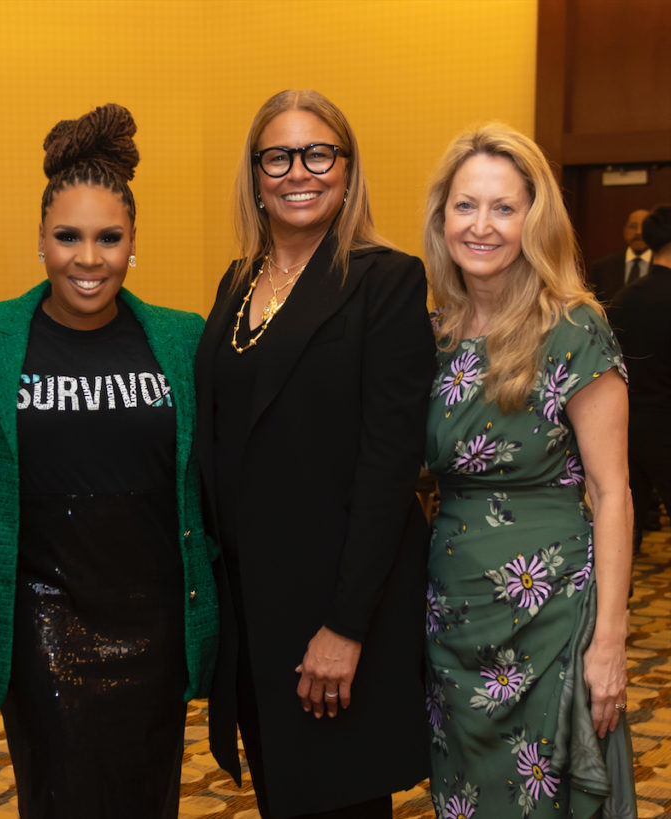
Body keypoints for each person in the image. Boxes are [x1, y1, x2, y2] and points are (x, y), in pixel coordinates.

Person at [0, 103, 218, 819]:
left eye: (108, 238)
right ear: (40, 240)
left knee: (149, 795)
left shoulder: (182, 340)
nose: (88, 259)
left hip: (156, 627)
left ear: (134, 243)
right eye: (67, 237)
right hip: (40, 624)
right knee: (58, 796)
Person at [196, 89, 435, 818]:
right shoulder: (236, 284)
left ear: (346, 166)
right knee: (282, 798)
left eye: (318, 152)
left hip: (333, 611)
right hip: (251, 611)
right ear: (256, 174)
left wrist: (346, 626)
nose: (299, 171)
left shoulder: (385, 281)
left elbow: (388, 469)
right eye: (279, 156)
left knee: (339, 802)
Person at [423, 124, 636, 818]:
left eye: (503, 207)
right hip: (454, 620)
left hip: (550, 620)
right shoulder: (435, 332)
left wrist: (609, 641)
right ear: (442, 217)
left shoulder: (573, 328)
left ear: (533, 220)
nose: (481, 225)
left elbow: (612, 491)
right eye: (465, 205)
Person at [608, 204, 671, 553]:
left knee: (623, 528)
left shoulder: (624, 298)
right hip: (666, 425)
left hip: (625, 428)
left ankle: (618, 603)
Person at [588, 208, 651, 304]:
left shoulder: (666, 267)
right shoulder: (602, 267)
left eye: (645, 226)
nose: (639, 232)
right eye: (633, 226)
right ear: (625, 231)